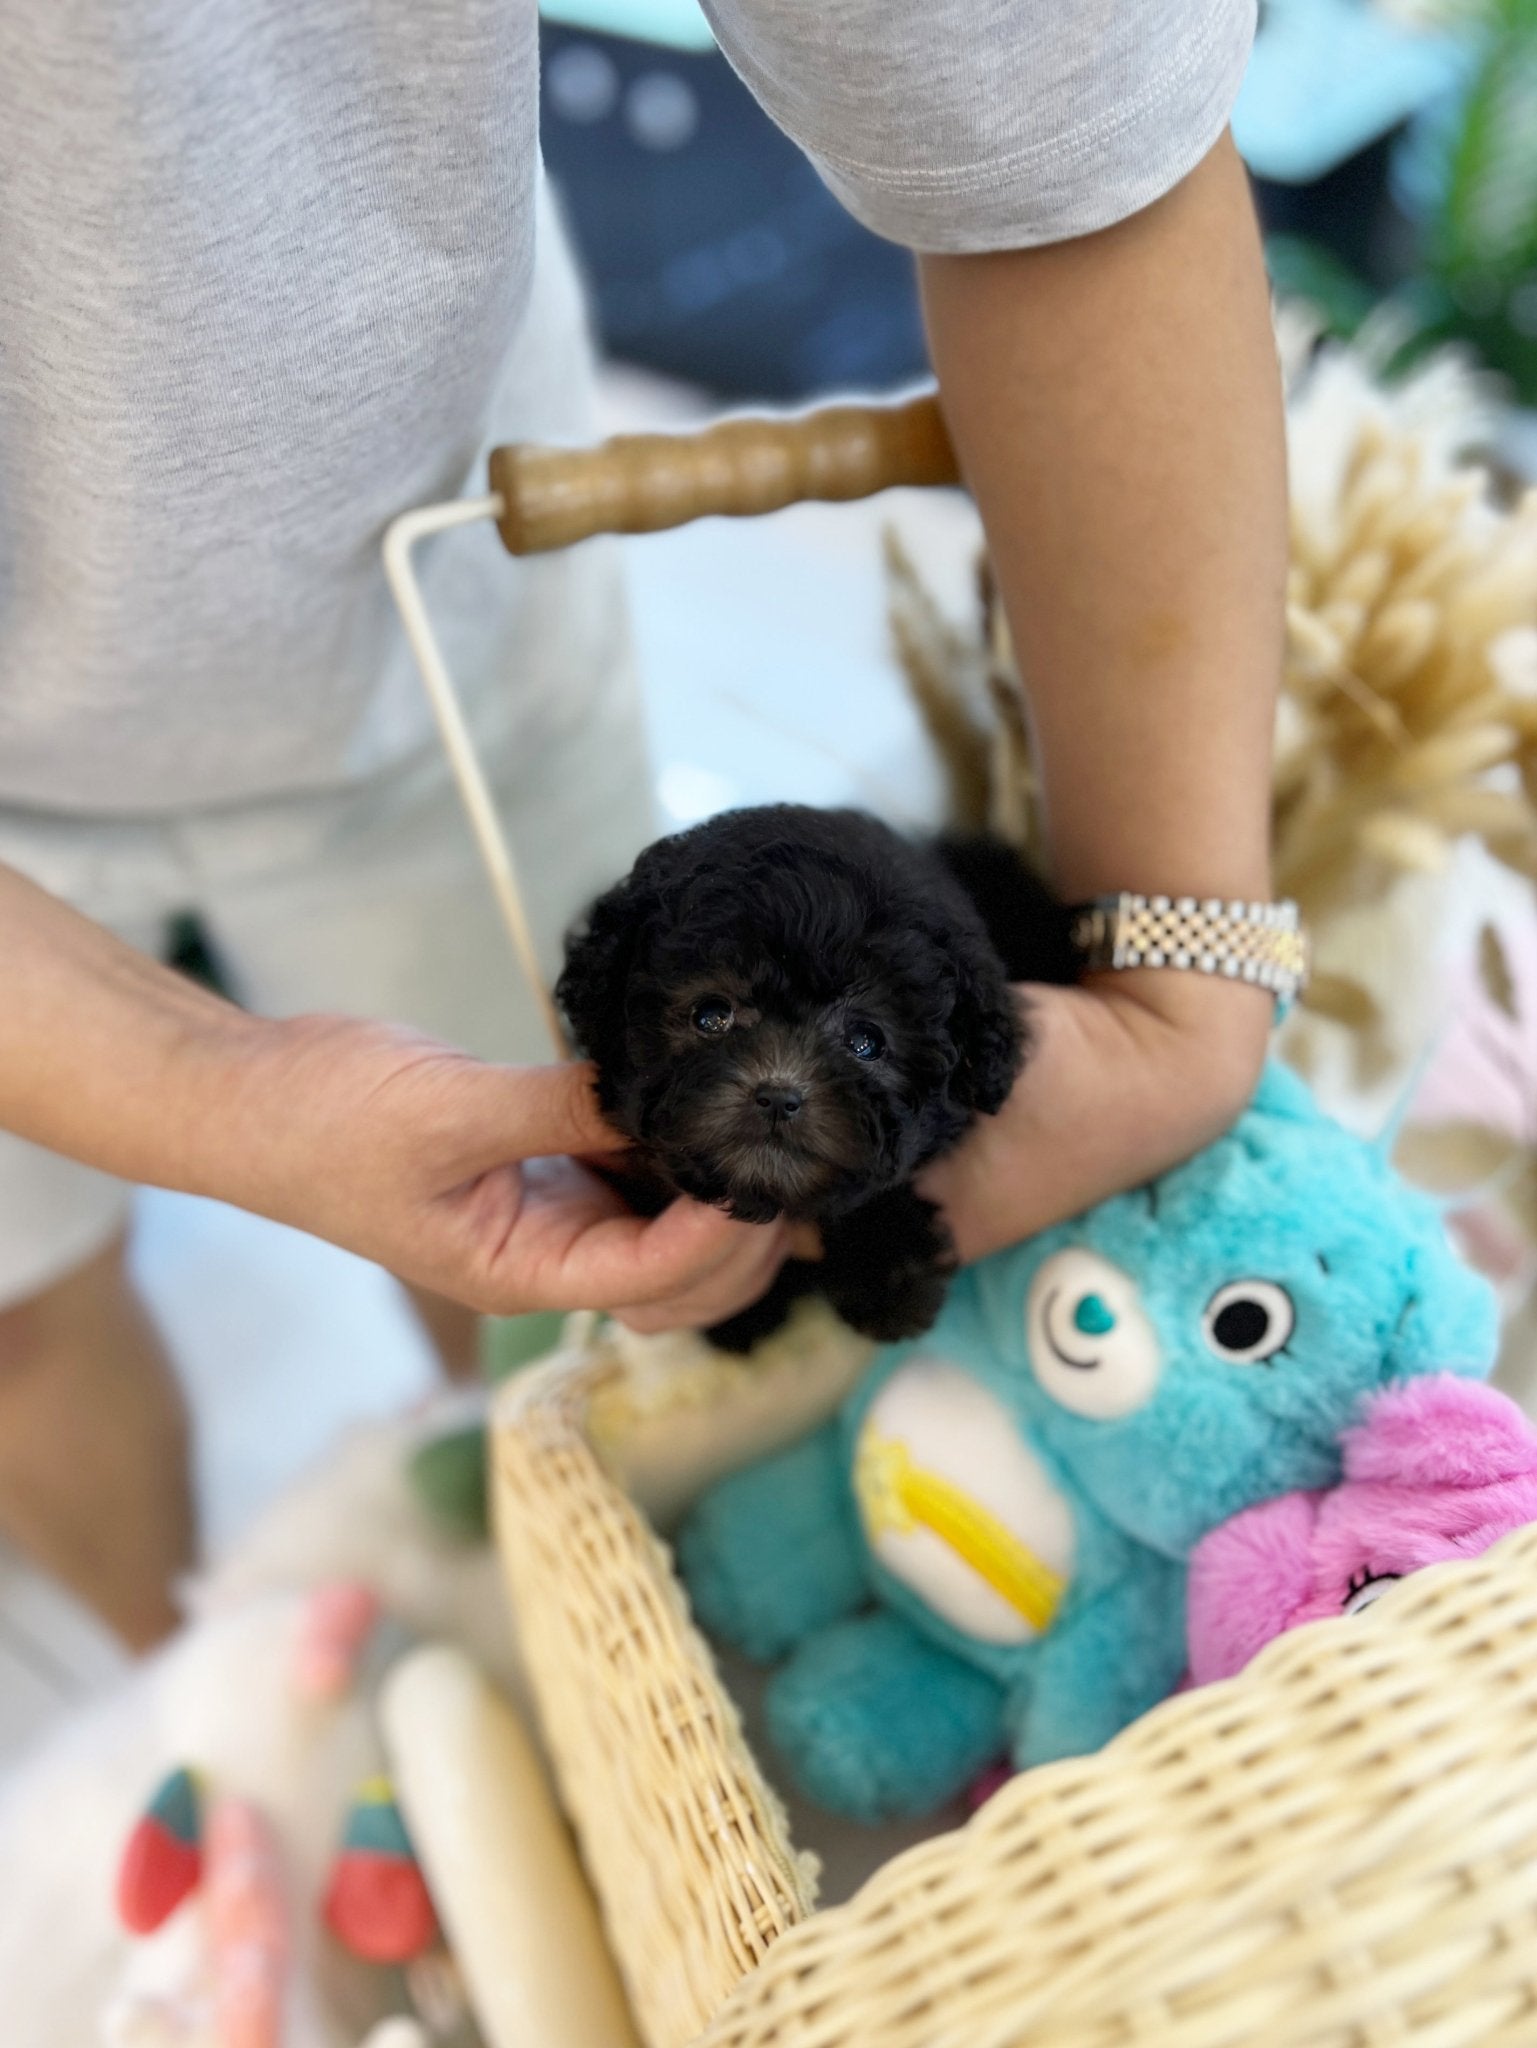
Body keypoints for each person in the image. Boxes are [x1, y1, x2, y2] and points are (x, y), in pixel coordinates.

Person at [0, 0, 1282, 1651]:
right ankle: (190, 1679)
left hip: (436, 632)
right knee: (26, 1331)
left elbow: (1066, 146)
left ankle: (555, 1620)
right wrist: (207, 1096)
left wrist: (1186, 970)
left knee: (571, 1284)